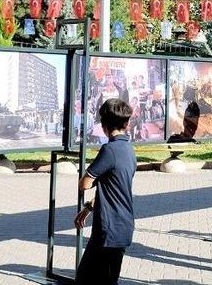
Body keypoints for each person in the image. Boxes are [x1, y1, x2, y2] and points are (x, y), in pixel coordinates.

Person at [74, 98, 136, 285]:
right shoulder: (129, 149)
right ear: (127, 123)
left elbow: (84, 184)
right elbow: (114, 187)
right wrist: (89, 208)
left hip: (109, 230)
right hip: (121, 226)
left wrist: (93, 177)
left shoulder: (109, 149)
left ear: (103, 125)